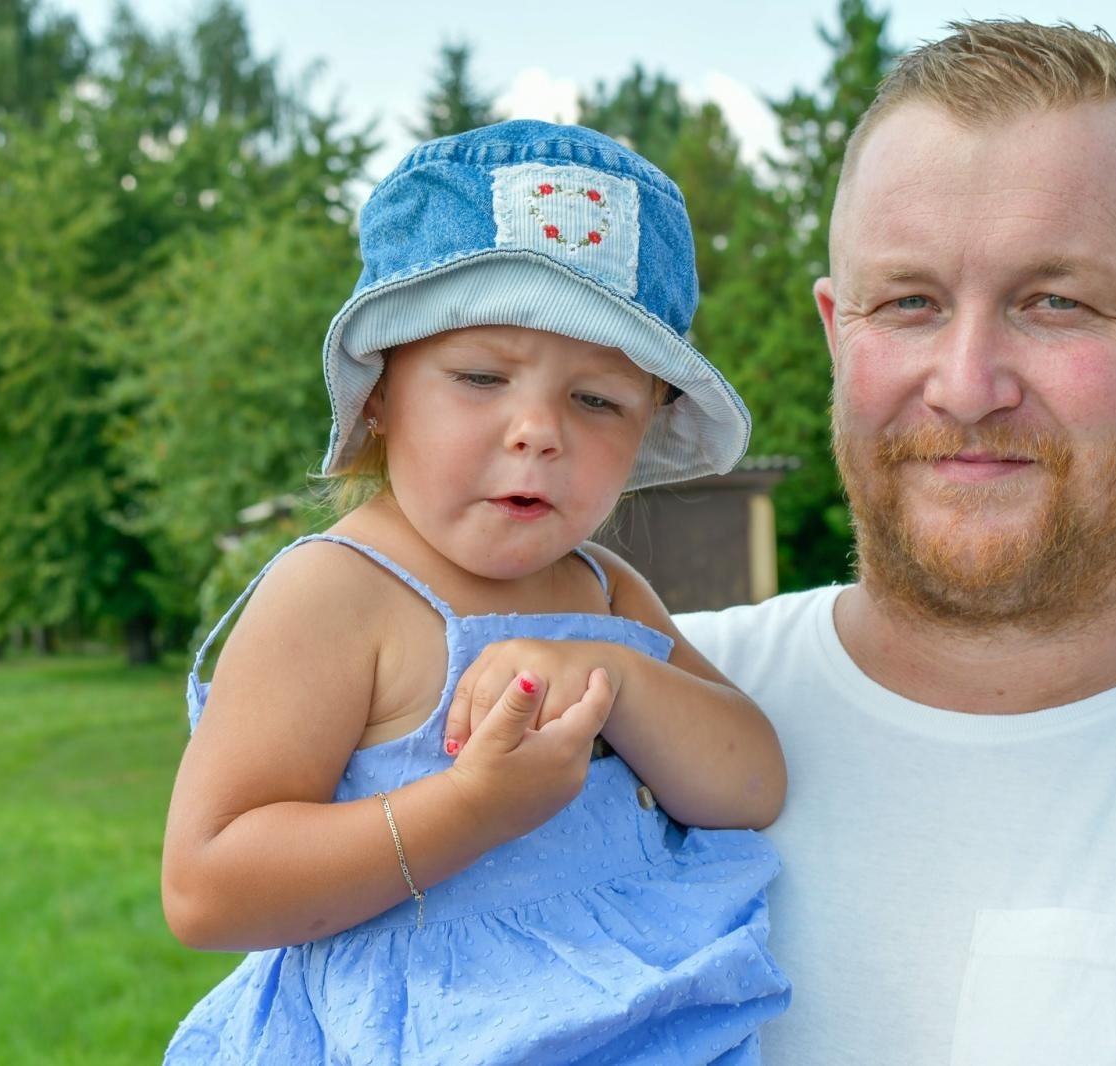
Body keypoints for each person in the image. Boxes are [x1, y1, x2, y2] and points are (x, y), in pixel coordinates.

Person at [677, 20, 1116, 1066]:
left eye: (1053, 303)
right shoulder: (633, 714)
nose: (968, 384)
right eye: (910, 302)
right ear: (840, 336)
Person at [160, 121, 790, 1065]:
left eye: (598, 400)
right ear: (379, 392)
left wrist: (611, 672)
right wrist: (473, 808)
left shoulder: (606, 590)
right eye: (480, 377)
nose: (538, 429)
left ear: (648, 423)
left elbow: (752, 783)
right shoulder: (337, 591)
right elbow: (208, 889)